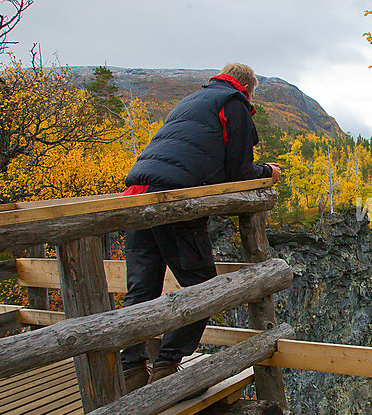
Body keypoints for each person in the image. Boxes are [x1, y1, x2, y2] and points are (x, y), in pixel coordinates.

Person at [120, 63, 280, 393]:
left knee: (142, 290)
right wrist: (268, 172)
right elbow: (238, 171)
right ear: (248, 88)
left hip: (136, 197)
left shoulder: (191, 100)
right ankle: (167, 365)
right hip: (173, 202)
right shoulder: (233, 103)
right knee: (204, 287)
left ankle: (130, 370)